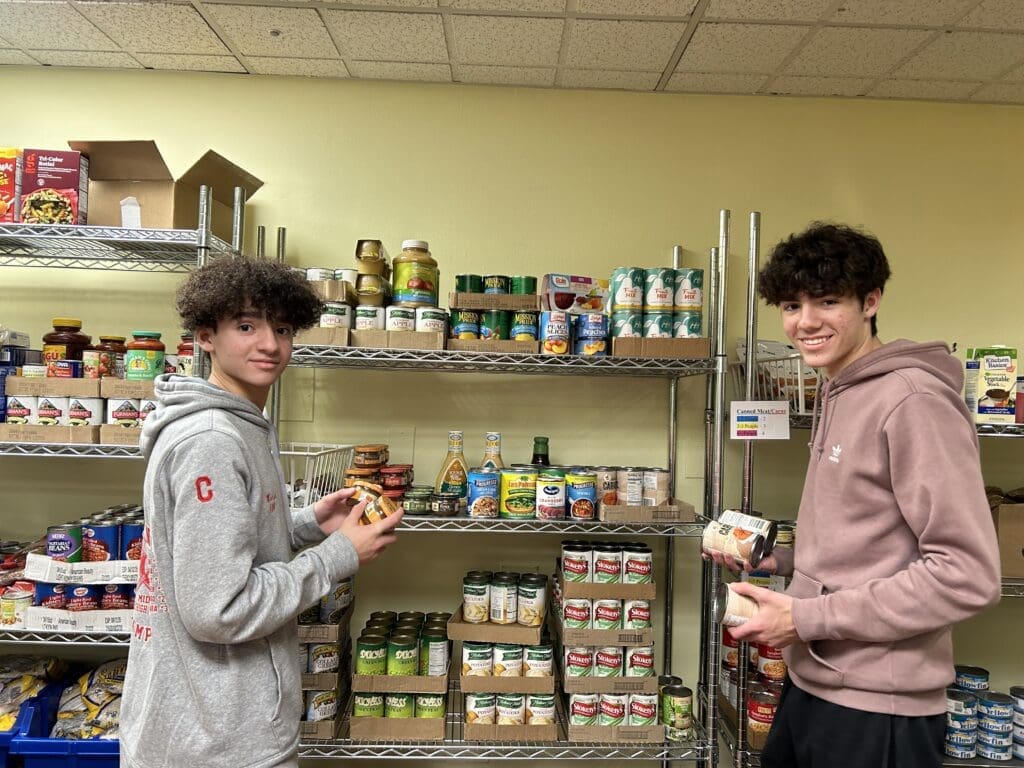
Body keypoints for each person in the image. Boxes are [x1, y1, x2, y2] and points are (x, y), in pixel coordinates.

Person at [716, 222, 1001, 768]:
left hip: (878, 710)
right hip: (814, 683)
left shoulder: (913, 401)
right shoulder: (840, 389)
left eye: (827, 301)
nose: (806, 322)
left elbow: (967, 574)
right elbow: (873, 540)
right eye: (792, 305)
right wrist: (788, 560)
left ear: (871, 301)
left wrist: (806, 619)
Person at [121, 256, 403, 768]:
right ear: (205, 336)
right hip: (215, 742)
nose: (270, 344)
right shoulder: (212, 439)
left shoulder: (242, 424)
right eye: (247, 326)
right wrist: (337, 555)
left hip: (214, 727)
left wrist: (307, 524)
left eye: (283, 328)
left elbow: (219, 546)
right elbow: (219, 610)